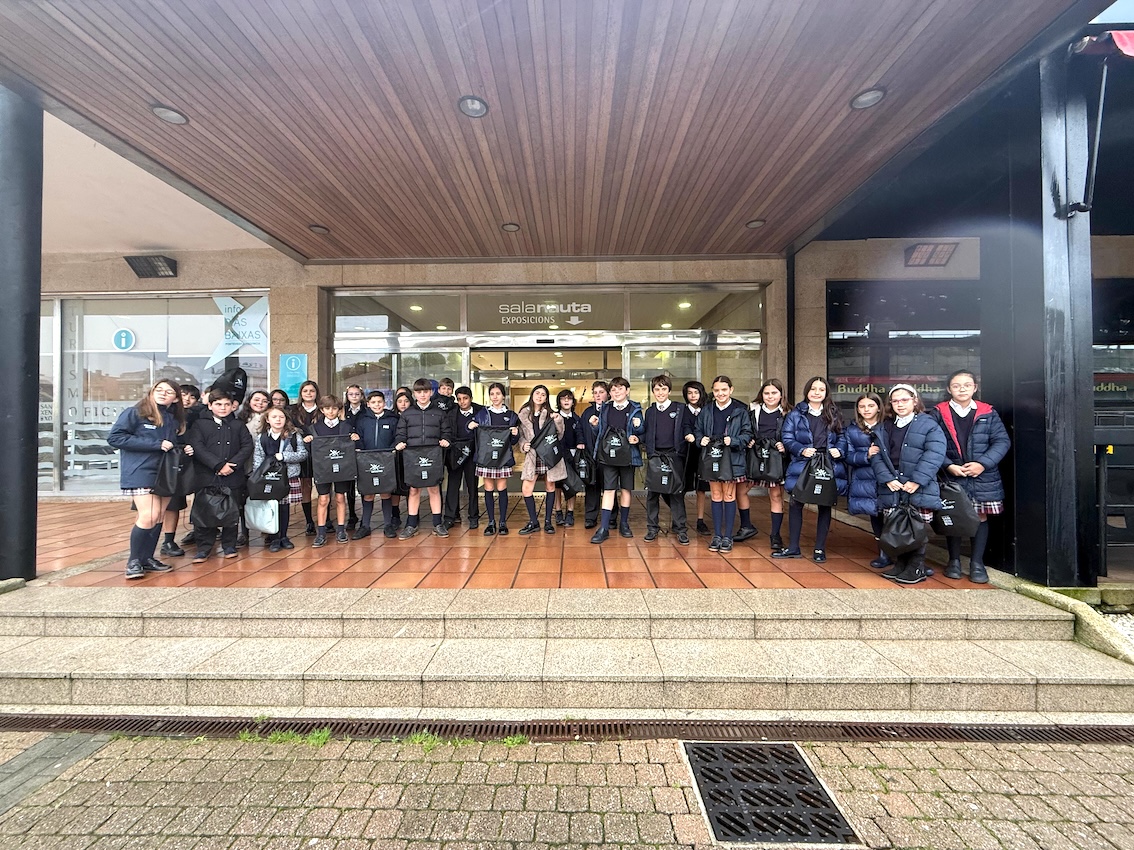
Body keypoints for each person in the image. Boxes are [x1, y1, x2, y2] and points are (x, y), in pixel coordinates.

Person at [932, 369, 1011, 584]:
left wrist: (982, 464)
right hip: (953, 475)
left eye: (967, 385)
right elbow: (932, 444)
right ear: (949, 389)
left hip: (982, 476)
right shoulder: (938, 413)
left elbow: (1002, 442)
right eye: (956, 385)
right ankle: (954, 561)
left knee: (980, 517)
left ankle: (977, 563)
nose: (962, 389)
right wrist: (948, 466)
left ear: (975, 387)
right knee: (955, 516)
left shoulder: (987, 412)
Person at [107, 379, 190, 578]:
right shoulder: (135, 412)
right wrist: (155, 444)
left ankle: (147, 558)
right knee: (148, 515)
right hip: (141, 471)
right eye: (159, 390)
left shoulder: (171, 418)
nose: (163, 394)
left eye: (168, 392)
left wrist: (182, 447)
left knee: (159, 515)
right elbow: (115, 438)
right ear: (151, 392)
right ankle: (134, 561)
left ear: (176, 398)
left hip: (164, 472)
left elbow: (169, 443)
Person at [868, 384, 947, 585]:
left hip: (917, 486)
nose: (900, 404)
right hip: (893, 486)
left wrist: (917, 481)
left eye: (904, 400)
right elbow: (875, 455)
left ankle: (916, 567)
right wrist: (887, 479)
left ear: (915, 401)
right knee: (897, 525)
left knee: (916, 527)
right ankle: (901, 565)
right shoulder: (884, 427)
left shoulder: (929, 424)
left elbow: (934, 455)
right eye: (895, 401)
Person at [774, 376, 848, 562]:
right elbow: (787, 437)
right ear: (806, 391)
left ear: (826, 393)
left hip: (827, 462)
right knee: (796, 503)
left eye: (821, 389)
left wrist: (839, 450)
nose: (816, 392)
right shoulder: (796, 413)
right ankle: (793, 548)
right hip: (804, 462)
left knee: (824, 504)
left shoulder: (834, 412)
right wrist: (801, 449)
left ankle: (819, 549)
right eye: (813, 389)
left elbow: (842, 436)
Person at [187, 388, 253, 563]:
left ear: (233, 406)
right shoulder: (200, 424)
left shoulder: (238, 425)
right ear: (210, 405)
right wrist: (218, 465)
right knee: (205, 513)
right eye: (218, 404)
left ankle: (229, 545)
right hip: (207, 476)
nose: (223, 408)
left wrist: (232, 465)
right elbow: (198, 447)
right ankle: (203, 548)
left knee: (232, 513)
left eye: (226, 404)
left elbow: (247, 446)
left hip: (232, 475)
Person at [694, 375, 754, 552]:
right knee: (715, 494)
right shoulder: (707, 410)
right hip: (712, 456)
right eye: (717, 390)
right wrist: (700, 439)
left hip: (732, 458)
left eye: (724, 390)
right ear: (712, 391)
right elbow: (697, 429)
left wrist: (734, 440)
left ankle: (728, 536)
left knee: (729, 495)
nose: (720, 393)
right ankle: (717, 535)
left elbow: (747, 434)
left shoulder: (740, 410)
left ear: (731, 390)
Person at [394, 378, 453, 538]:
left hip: (433, 456)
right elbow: (400, 434)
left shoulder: (440, 413)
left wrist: (446, 439)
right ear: (414, 394)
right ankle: (411, 525)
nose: (422, 395)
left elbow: (446, 432)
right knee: (414, 489)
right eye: (419, 392)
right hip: (412, 457)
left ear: (431, 392)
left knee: (434, 488)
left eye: (426, 391)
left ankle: (437, 524)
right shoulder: (407, 414)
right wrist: (399, 442)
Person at [588, 376, 644, 543]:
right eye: (613, 389)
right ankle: (604, 527)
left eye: (620, 388)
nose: (616, 392)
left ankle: (624, 524)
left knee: (626, 489)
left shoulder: (635, 408)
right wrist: (595, 425)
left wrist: (637, 428)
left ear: (627, 391)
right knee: (609, 489)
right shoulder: (605, 409)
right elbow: (599, 432)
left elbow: (641, 430)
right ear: (610, 393)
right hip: (608, 455)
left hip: (628, 455)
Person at [302, 394, 359, 546]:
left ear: (339, 409)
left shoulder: (346, 427)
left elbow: (353, 445)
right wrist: (307, 441)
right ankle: (321, 532)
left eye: (334, 408)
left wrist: (354, 437)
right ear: (322, 410)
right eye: (327, 408)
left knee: (340, 498)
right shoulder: (314, 428)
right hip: (322, 469)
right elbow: (309, 450)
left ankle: (341, 530)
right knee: (323, 499)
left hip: (342, 468)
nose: (331, 412)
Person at [643, 375, 693, 544]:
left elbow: (687, 425)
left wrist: (688, 434)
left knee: (676, 493)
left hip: (674, 456)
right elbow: (646, 431)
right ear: (653, 391)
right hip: (656, 456)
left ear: (669, 391)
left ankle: (681, 529)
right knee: (652, 494)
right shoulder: (650, 411)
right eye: (657, 389)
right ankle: (652, 528)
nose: (660, 392)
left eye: (664, 389)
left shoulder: (680, 408)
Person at [845, 392, 890, 568]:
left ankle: (899, 551)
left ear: (878, 407)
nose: (866, 409)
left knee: (893, 515)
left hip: (887, 477)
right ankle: (883, 553)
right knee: (876, 515)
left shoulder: (888, 426)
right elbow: (848, 456)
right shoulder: (852, 429)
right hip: (865, 478)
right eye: (862, 406)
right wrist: (866, 455)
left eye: (870, 406)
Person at [253, 406, 308, 552]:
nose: (278, 420)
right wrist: (258, 477)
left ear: (286, 419)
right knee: (272, 507)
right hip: (269, 478)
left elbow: (302, 454)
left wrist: (285, 457)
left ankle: (284, 536)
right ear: (267, 419)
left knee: (284, 508)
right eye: (274, 417)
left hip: (287, 476)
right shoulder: (262, 437)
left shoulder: (294, 435)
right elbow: (258, 458)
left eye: (281, 417)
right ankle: (274, 538)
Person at [517, 384, 567, 534]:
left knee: (550, 487)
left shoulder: (551, 414)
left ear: (546, 398)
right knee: (526, 489)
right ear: (532, 394)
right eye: (537, 393)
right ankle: (533, 522)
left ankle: (548, 522)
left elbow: (560, 435)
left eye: (543, 394)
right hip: (533, 455)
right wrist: (523, 444)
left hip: (548, 455)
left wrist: (558, 420)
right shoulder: (523, 414)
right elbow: (520, 436)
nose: (539, 396)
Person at [471, 382, 520, 535]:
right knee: (488, 488)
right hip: (486, 457)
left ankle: (503, 522)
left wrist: (515, 434)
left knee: (502, 488)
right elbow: (475, 435)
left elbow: (513, 441)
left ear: (503, 396)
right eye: (492, 394)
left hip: (503, 457)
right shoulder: (482, 414)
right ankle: (491, 522)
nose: (495, 397)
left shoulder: (511, 415)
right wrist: (471, 426)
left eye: (498, 394)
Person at [353, 390, 401, 538]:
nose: (377, 405)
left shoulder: (392, 419)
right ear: (368, 404)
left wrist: (391, 450)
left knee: (386, 492)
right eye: (373, 402)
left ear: (384, 403)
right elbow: (357, 437)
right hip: (366, 460)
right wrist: (359, 448)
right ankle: (365, 525)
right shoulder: (362, 419)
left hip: (386, 459)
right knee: (368, 493)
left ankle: (388, 525)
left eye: (379, 402)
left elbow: (397, 436)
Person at [165, 382, 206, 555]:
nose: (187, 399)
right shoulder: (164, 414)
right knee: (167, 502)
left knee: (197, 498)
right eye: (184, 395)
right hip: (168, 461)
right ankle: (165, 541)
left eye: (192, 397)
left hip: (193, 461)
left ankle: (198, 531)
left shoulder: (198, 415)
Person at [751, 379, 788, 550]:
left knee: (775, 495)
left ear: (781, 394)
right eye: (766, 393)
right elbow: (747, 430)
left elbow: (793, 435)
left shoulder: (787, 413)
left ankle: (775, 534)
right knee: (741, 490)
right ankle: (745, 525)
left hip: (776, 459)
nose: (770, 396)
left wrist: (784, 445)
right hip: (755, 457)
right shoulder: (753, 411)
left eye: (774, 393)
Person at [444, 386, 482, 529]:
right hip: (455, 452)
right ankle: (450, 517)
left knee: (472, 486)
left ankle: (473, 516)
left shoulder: (480, 411)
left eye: (465, 398)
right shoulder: (451, 413)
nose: (462, 402)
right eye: (459, 399)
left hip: (473, 453)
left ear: (471, 398)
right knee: (453, 485)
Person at [289, 380, 321, 536]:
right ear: (301, 393)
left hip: (320, 452)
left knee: (323, 485)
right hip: (302, 451)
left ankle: (326, 520)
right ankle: (309, 521)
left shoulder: (322, 410)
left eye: (312, 391)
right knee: (306, 485)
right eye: (305, 391)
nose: (309, 393)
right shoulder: (293, 411)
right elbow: (290, 429)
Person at [577, 381, 609, 529]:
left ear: (607, 394)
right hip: (591, 456)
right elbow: (580, 429)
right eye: (595, 392)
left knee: (609, 487)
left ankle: (612, 517)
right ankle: (590, 517)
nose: (598, 395)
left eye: (601, 392)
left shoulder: (611, 410)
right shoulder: (587, 412)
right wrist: (581, 441)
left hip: (608, 457)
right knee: (591, 486)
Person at [681, 381, 711, 536]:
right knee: (681, 487)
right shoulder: (682, 410)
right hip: (685, 453)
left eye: (696, 392)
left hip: (702, 453)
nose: (693, 396)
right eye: (690, 393)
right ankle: (679, 520)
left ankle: (700, 520)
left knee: (701, 488)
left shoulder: (707, 410)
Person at [553, 388, 581, 526]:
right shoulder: (554, 418)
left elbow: (580, 436)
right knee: (557, 485)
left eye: (569, 398)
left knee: (572, 483)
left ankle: (570, 513)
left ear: (572, 402)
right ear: (559, 402)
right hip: (557, 455)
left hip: (573, 455)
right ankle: (558, 512)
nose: (566, 401)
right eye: (563, 398)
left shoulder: (577, 419)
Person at [342, 384, 365, 530]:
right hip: (347, 450)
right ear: (347, 396)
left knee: (363, 484)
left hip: (362, 448)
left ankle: (365, 516)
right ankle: (352, 515)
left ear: (361, 396)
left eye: (357, 394)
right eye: (351, 394)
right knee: (349, 485)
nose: (354, 397)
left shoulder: (366, 410)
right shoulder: (342, 410)